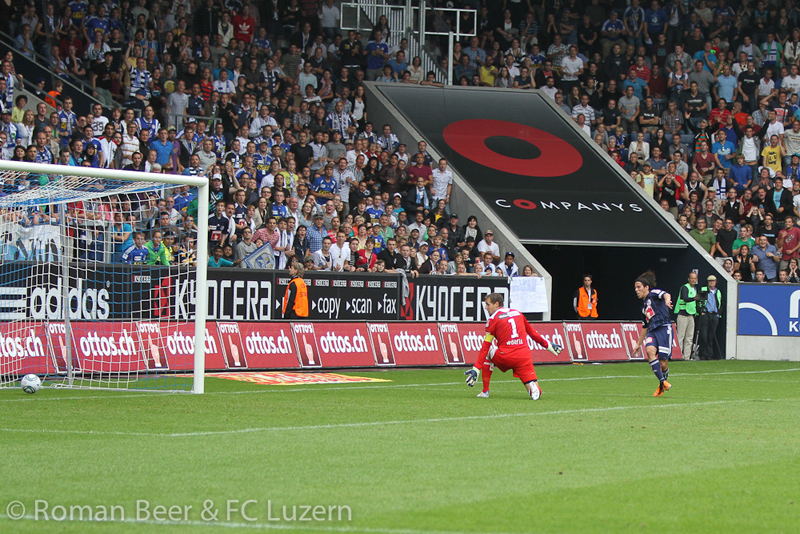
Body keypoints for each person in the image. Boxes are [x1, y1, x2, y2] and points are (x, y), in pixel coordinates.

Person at [464, 293, 562, 400]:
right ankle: (533, 387)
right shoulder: (517, 313)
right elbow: (533, 333)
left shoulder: (492, 320)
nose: (486, 307)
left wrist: (477, 368)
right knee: (532, 386)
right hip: (524, 357)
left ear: (496, 304)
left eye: (488, 304)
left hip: (506, 356)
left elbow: (486, 346)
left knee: (489, 353)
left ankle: (485, 391)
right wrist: (548, 345)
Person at [631, 271, 673, 397]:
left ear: (646, 287)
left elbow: (666, 294)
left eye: (639, 287)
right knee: (649, 351)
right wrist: (638, 344)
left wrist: (667, 301)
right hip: (652, 331)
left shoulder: (654, 294)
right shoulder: (644, 307)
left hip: (664, 328)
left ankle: (662, 384)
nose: (636, 290)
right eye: (635, 288)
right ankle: (663, 382)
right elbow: (645, 327)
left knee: (663, 363)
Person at [674, 272, 699, 360]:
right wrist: (694, 298)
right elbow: (685, 298)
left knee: (689, 337)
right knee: (680, 336)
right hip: (683, 315)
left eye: (695, 278)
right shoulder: (685, 287)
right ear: (688, 279)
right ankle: (679, 356)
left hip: (691, 315)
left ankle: (687, 357)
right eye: (692, 278)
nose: (693, 280)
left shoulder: (695, 289)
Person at [697, 275, 723, 360]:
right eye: (710, 281)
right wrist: (701, 311)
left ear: (716, 282)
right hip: (705, 315)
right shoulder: (703, 289)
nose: (712, 282)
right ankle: (702, 354)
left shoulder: (718, 292)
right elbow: (698, 301)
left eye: (713, 281)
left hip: (714, 315)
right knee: (703, 336)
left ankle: (709, 355)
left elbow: (721, 304)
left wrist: (718, 314)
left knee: (711, 336)